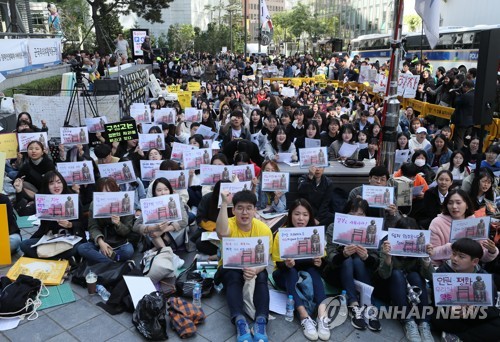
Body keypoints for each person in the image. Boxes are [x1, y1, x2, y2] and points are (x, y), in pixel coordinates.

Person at [215, 190, 273, 342]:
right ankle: (239, 320)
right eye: (240, 208)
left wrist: (255, 270)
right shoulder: (230, 224)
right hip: (229, 268)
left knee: (262, 276)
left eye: (249, 208)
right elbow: (221, 232)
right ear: (233, 210)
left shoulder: (264, 229)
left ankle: (261, 320)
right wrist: (224, 203)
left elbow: (265, 260)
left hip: (253, 267)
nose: (245, 212)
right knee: (233, 276)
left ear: (255, 210)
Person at [271, 199, 330, 341]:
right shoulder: (282, 234)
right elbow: (278, 263)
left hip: (308, 271)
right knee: (290, 272)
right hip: (283, 273)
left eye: (305, 214)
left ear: (310, 216)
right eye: (297, 214)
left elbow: (323, 262)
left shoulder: (315, 234)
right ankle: (304, 316)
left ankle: (323, 315)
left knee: (314, 272)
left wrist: (319, 262)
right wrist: (287, 264)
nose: (301, 218)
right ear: (290, 215)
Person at [323, 198, 381, 332]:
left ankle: (368, 305)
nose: (356, 217)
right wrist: (342, 254)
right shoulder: (334, 227)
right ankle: (354, 304)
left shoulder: (372, 230)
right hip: (336, 272)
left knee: (357, 261)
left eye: (361, 214)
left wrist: (366, 257)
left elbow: (377, 260)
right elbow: (329, 257)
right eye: (352, 213)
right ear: (345, 214)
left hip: (362, 273)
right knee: (348, 260)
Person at [379, 217, 435, 342]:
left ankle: (424, 323)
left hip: (413, 289)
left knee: (415, 275)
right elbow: (383, 275)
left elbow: (430, 277)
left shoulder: (420, 244)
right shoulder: (387, 243)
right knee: (396, 274)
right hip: (392, 287)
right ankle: (408, 320)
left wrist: (426, 259)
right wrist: (388, 257)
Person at [432, 238, 500, 341]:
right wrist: (450, 308)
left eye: (461, 257)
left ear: (475, 261)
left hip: (474, 317)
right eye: (453, 254)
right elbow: (436, 300)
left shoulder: (484, 278)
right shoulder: (443, 272)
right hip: (451, 317)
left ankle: (457, 338)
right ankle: (470, 335)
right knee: (434, 316)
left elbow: (492, 308)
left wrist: (477, 309)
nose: (454, 259)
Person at [20, 171, 86, 260]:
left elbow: (83, 223)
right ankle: (58, 258)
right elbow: (23, 212)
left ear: (63, 183)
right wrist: (19, 192)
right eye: (51, 183)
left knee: (78, 248)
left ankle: (47, 257)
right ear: (46, 186)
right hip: (48, 238)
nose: (56, 186)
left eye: (59, 182)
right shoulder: (43, 200)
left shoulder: (72, 198)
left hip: (69, 239)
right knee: (24, 245)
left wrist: (70, 225)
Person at [429, 189, 498, 266]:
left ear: (467, 205)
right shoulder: (437, 222)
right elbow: (432, 253)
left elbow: (482, 256)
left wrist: (491, 251)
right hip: (444, 268)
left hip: (469, 268)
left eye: (458, 203)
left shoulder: (475, 222)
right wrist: (452, 247)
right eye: (450, 203)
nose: (454, 206)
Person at [77, 177, 135, 264]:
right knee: (82, 248)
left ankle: (103, 258)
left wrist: (118, 224)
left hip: (119, 242)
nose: (107, 197)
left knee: (128, 251)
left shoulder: (125, 204)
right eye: (103, 193)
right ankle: (113, 262)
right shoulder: (94, 204)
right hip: (101, 241)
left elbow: (127, 231)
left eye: (110, 193)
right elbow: (93, 227)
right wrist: (101, 242)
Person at [134, 177, 189, 250]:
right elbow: (135, 226)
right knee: (149, 223)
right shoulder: (150, 203)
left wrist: (162, 230)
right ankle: (165, 252)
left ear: (170, 190)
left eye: (166, 189)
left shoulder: (176, 199)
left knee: (179, 220)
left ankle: (156, 250)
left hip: (173, 237)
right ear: (154, 192)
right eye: (159, 190)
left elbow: (184, 221)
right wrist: (153, 228)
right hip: (154, 237)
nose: (163, 193)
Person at [13, 141, 55, 216]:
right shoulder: (27, 165)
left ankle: (37, 200)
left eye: (37, 149)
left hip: (47, 192)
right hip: (33, 192)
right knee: (21, 184)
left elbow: (51, 184)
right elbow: (15, 180)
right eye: (31, 149)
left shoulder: (48, 164)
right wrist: (20, 181)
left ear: (42, 152)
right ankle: (35, 200)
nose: (33, 151)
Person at [451, 80, 475, 150]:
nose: (462, 88)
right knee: (468, 139)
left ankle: (458, 153)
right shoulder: (477, 94)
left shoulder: (466, 95)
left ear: (466, 87)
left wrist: (458, 95)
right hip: (471, 121)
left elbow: (457, 103)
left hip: (462, 122)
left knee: (459, 139)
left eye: (463, 87)